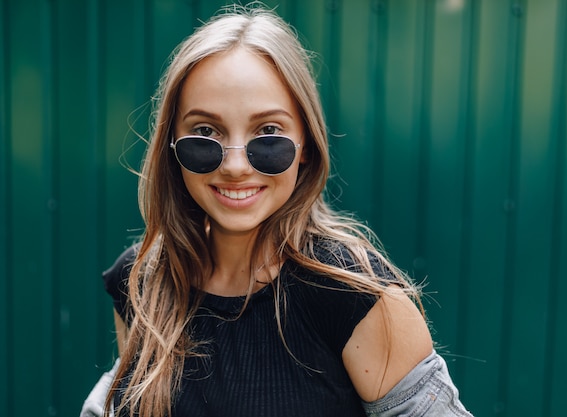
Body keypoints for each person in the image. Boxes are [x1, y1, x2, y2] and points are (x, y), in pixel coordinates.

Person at [93, 4, 473, 417]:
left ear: (306, 144)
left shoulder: (354, 294)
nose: (235, 166)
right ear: (172, 145)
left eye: (268, 132)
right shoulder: (144, 280)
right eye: (205, 132)